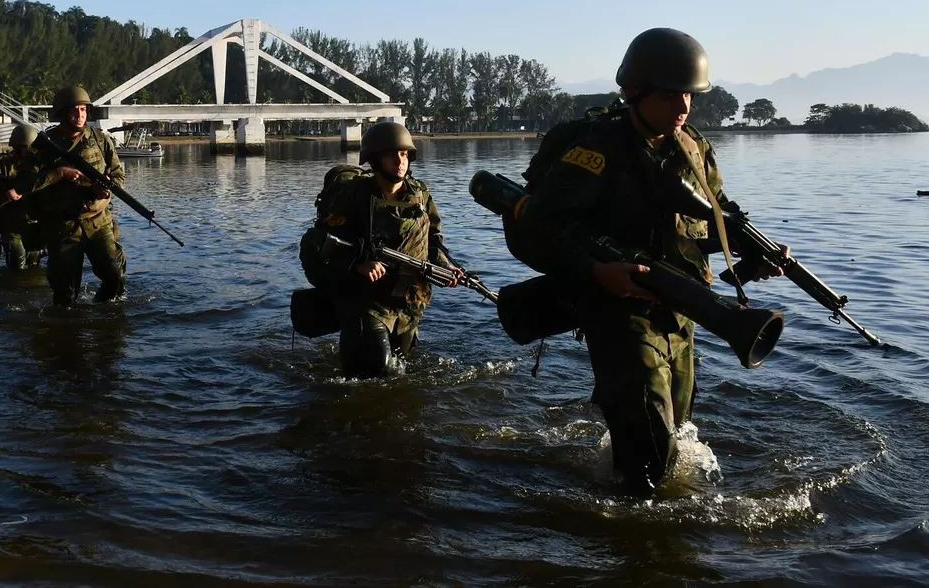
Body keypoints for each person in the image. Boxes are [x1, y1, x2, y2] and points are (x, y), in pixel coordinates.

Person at [516, 27, 785, 496]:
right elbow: (540, 227)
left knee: (676, 431)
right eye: (670, 95)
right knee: (648, 457)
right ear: (635, 92)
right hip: (620, 311)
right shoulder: (598, 149)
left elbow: (706, 223)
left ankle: (647, 537)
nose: (683, 107)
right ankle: (628, 533)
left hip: (682, 309)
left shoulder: (693, 147)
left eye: (689, 95)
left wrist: (744, 257)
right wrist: (597, 271)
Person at [316, 121, 461, 377]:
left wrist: (448, 266)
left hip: (408, 299)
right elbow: (319, 244)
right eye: (391, 154)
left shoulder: (421, 195)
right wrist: (358, 264)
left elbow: (433, 240)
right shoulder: (354, 196)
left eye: (404, 154)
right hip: (365, 298)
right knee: (380, 366)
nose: (399, 161)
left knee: (400, 371)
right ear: (374, 159)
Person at [8, 87, 125, 305]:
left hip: (98, 221)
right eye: (74, 110)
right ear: (62, 113)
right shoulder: (43, 146)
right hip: (61, 226)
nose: (80, 115)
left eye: (83, 110)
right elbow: (24, 184)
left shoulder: (100, 140)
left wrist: (106, 187)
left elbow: (117, 173)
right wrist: (59, 174)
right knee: (65, 294)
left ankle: (108, 323)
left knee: (114, 277)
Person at [0, 123, 41, 269]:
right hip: (11, 228)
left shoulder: (38, 167)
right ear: (18, 147)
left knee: (35, 268)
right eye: (26, 148)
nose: (30, 152)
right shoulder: (1, 169)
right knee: (17, 268)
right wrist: (8, 195)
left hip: (34, 226)